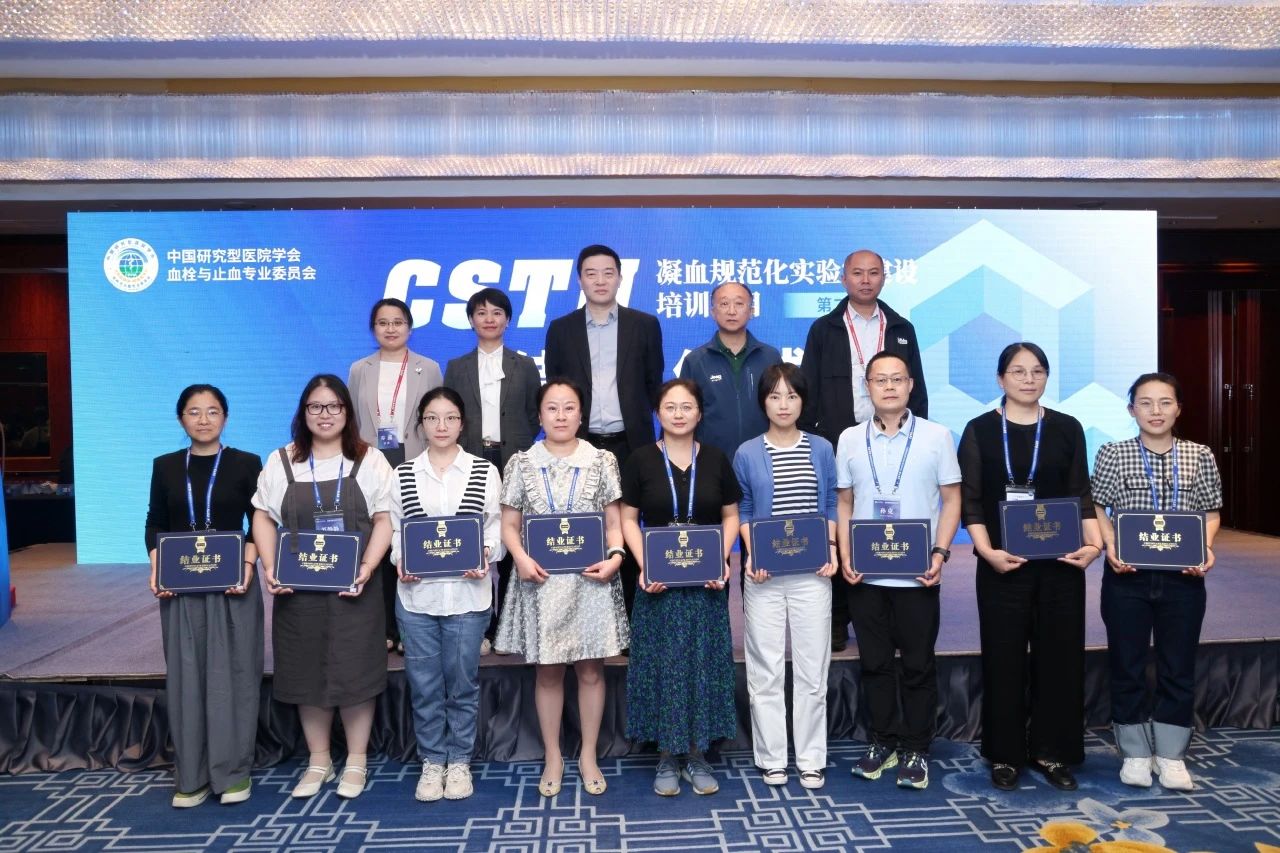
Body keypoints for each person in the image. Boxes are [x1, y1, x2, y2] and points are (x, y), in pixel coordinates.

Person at [957, 342, 1103, 792]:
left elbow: (1081, 493)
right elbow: (972, 502)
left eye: (1037, 371)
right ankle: (1005, 753)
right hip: (1002, 564)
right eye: (1018, 371)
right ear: (1000, 379)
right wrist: (986, 552)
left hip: (1060, 564)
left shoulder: (1067, 427)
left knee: (1059, 657)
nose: (1028, 379)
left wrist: (1094, 545)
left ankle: (1052, 750)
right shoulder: (980, 429)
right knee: (1003, 658)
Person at [252, 374, 394, 801]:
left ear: (347, 412)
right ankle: (318, 760)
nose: (325, 414)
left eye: (334, 406)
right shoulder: (282, 460)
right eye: (315, 406)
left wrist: (368, 567)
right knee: (305, 670)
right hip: (299, 591)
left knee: (356, 671)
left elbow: (385, 519)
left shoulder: (370, 460)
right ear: (303, 413)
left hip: (355, 588)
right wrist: (271, 566)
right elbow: (262, 517)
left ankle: (356, 759)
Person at [493, 378, 629, 798]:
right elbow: (509, 525)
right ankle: (553, 755)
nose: (561, 416)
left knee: (591, 670)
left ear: (581, 414)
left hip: (591, 580)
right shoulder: (521, 463)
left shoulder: (602, 460)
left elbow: (614, 523)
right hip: (541, 580)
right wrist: (519, 557)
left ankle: (587, 754)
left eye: (569, 407)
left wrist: (616, 557)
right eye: (552, 408)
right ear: (540, 416)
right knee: (548, 672)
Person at [1091, 372, 1222, 791]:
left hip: (1183, 580)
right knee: (1127, 664)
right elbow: (1098, 507)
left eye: (1165, 402)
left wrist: (1205, 548)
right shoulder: (1113, 453)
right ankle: (1134, 752)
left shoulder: (1200, 455)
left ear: (1178, 408)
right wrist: (1111, 546)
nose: (1156, 411)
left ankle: (1171, 754)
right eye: (1145, 403)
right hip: (1127, 579)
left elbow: (1211, 512)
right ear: (1132, 410)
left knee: (1177, 666)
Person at [836, 351, 959, 791]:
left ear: (910, 385)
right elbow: (845, 503)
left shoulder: (937, 436)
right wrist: (846, 555)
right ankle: (883, 741)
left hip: (917, 573)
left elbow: (952, 499)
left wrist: (940, 553)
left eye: (897, 379)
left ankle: (917, 747)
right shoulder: (850, 438)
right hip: (866, 575)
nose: (889, 387)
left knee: (919, 665)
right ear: (867, 387)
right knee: (875, 664)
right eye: (880, 380)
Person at [799, 249, 927, 653]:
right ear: (844, 278)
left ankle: (889, 616)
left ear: (884, 278)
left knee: (887, 525)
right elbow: (808, 389)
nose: (866, 280)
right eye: (858, 273)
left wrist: (915, 438)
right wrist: (814, 441)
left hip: (892, 441)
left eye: (874, 273)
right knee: (840, 526)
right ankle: (839, 616)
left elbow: (917, 390)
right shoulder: (824, 329)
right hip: (841, 442)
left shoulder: (901, 328)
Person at [145, 384, 264, 808]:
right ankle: (191, 775)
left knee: (236, 677)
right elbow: (155, 522)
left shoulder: (246, 463)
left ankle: (232, 772)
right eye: (194, 412)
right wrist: (157, 567)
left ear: (225, 417)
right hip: (182, 588)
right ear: (181, 418)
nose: (204, 419)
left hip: (234, 586)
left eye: (213, 411)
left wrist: (248, 565)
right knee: (186, 678)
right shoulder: (165, 466)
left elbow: (260, 521)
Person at [621, 378, 741, 797]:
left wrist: (721, 558)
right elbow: (628, 519)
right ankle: (667, 755)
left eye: (686, 406)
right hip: (659, 585)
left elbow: (731, 516)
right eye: (670, 406)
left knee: (701, 665)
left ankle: (696, 752)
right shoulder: (640, 459)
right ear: (658, 413)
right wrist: (646, 564)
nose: (678, 414)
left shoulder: (716, 458)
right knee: (664, 667)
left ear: (699, 413)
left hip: (705, 584)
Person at [389, 387, 504, 802]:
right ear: (421, 424)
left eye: (450, 417)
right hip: (417, 598)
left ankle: (459, 760)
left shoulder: (483, 471)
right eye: (432, 418)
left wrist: (486, 554)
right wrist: (400, 559)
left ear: (462, 423)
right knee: (423, 685)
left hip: (468, 597)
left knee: (462, 684)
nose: (441, 426)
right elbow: (396, 531)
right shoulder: (402, 474)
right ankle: (432, 759)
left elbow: (494, 527)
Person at [732, 363, 838, 789]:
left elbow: (830, 503)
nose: (783, 404)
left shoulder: (822, 448)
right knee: (765, 669)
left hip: (813, 573)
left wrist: (831, 549)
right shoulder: (747, 452)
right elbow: (742, 508)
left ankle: (811, 757)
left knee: (813, 670)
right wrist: (752, 552)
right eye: (775, 396)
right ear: (763, 402)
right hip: (764, 576)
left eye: (791, 396)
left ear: (802, 401)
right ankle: (772, 757)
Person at [544, 243, 663, 613]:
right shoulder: (561, 329)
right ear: (579, 280)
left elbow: (653, 384)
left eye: (608, 273)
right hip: (580, 446)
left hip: (631, 444)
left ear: (620, 278)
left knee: (628, 527)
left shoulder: (644, 325)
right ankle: (585, 614)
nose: (600, 280)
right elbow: (556, 387)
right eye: (591, 273)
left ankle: (630, 616)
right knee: (582, 529)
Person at [442, 287, 541, 653]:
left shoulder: (524, 365)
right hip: (472, 458)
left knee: (515, 540)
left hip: (513, 457)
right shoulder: (456, 367)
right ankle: (479, 627)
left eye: (497, 313)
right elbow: (450, 413)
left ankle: (509, 627)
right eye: (481, 313)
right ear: (471, 320)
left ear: (508, 320)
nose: (489, 319)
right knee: (475, 539)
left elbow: (533, 414)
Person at [348, 297, 443, 655]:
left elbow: (437, 417)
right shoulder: (359, 369)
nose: (391, 329)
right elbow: (353, 421)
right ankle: (385, 627)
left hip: (414, 459)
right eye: (383, 323)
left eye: (398, 322)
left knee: (414, 541)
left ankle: (411, 629)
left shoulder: (428, 367)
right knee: (380, 539)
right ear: (373, 329)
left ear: (410, 327)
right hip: (373, 461)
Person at [678, 281, 781, 458]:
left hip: (764, 457)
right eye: (724, 303)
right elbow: (684, 414)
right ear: (713, 312)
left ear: (751, 311)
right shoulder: (695, 361)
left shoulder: (770, 357)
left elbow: (782, 408)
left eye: (739, 303)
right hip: (711, 459)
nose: (731, 311)